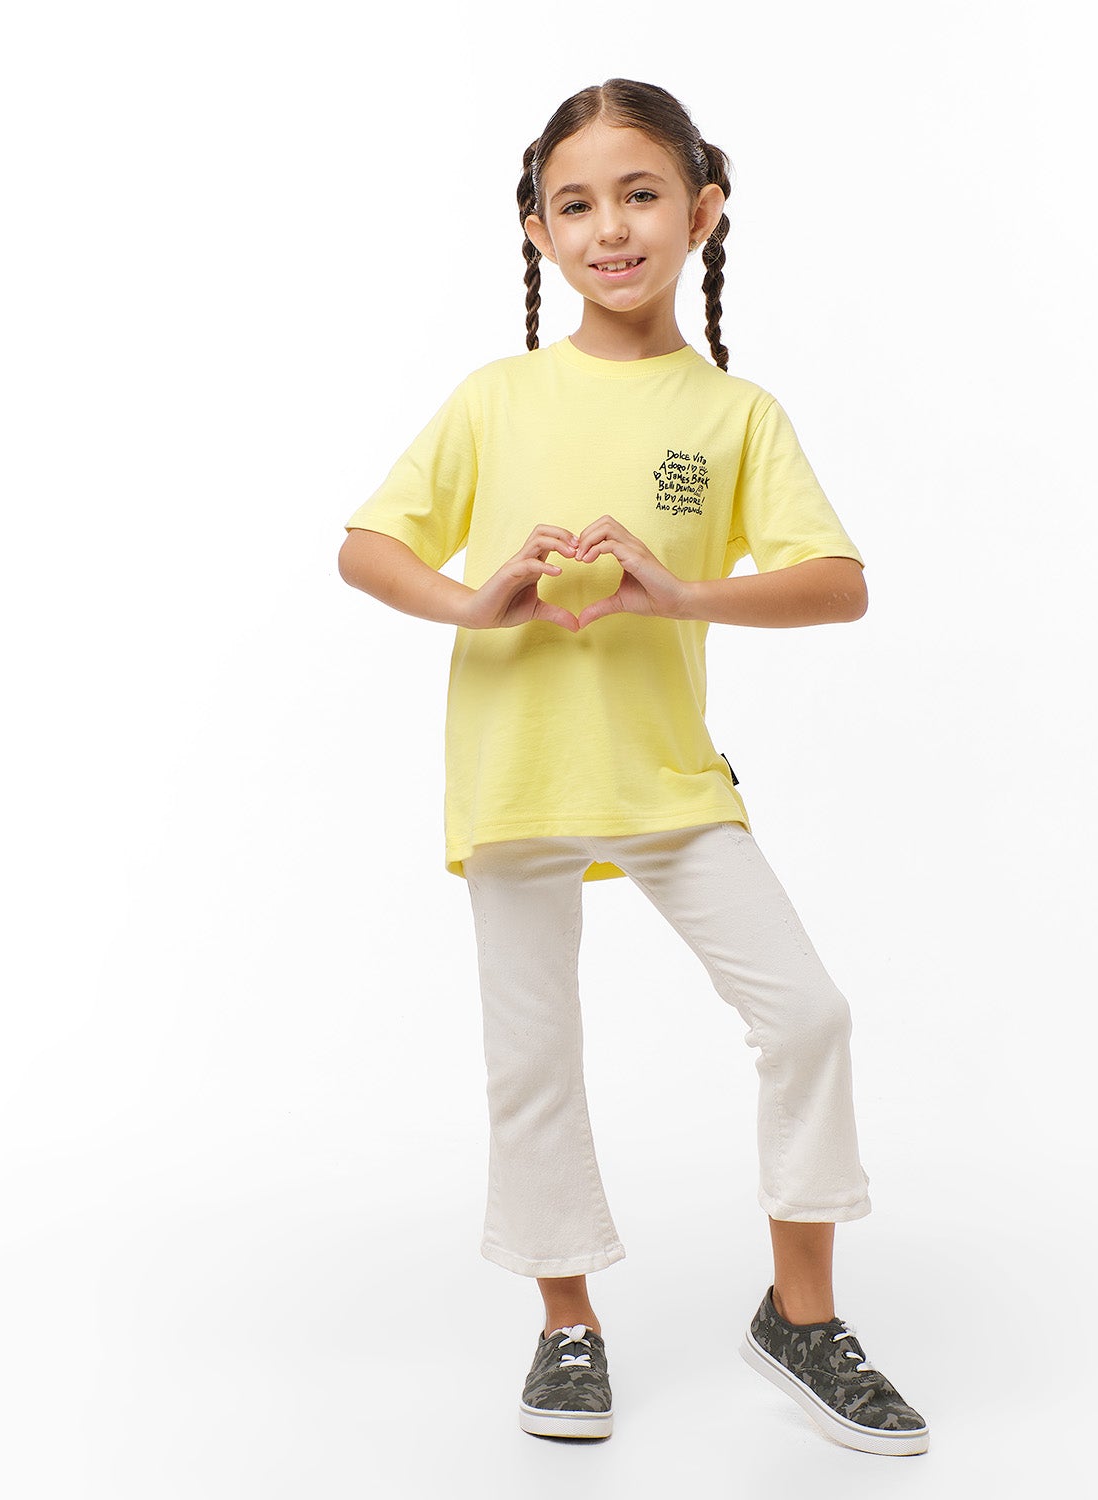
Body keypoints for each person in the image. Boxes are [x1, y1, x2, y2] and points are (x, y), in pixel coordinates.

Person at [336, 77, 928, 1457]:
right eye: (577, 203)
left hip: (667, 778)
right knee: (533, 1057)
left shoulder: (734, 418)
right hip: (518, 772)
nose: (612, 227)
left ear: (703, 210)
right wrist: (470, 599)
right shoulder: (494, 397)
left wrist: (681, 595)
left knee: (808, 1016)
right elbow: (368, 545)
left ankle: (801, 1312)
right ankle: (567, 1323)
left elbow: (836, 583)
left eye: (642, 193)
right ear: (538, 231)